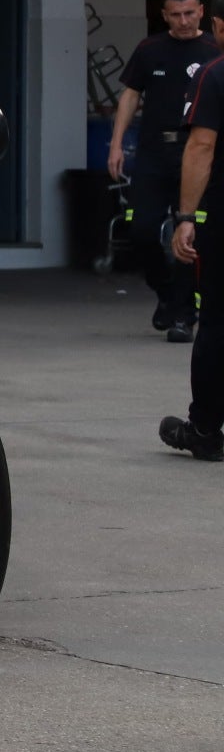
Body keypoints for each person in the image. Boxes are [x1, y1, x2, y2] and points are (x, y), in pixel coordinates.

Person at [110, 0, 216, 341]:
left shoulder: (213, 51)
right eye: (176, 15)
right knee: (140, 230)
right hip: (154, 152)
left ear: (201, 12)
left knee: (188, 232)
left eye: (189, 13)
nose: (183, 21)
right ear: (164, 15)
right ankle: (167, 291)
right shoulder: (149, 49)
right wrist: (116, 144)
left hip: (195, 152)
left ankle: (183, 315)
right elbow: (130, 96)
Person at [164, 67, 224, 461]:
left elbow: (202, 145)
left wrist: (186, 216)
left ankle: (204, 429)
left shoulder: (214, 76)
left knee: (217, 323)